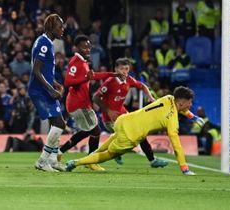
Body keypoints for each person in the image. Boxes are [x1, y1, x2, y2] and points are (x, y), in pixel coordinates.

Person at [65, 86, 198, 176]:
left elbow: (181, 108)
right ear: (181, 102)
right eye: (190, 103)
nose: (190, 105)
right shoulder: (172, 120)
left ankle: (88, 158)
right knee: (109, 154)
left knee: (113, 138)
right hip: (131, 135)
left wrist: (192, 116)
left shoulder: (168, 98)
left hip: (124, 120)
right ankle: (76, 163)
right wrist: (184, 167)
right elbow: (177, 146)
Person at [93, 58, 168, 168]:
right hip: (110, 118)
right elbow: (95, 97)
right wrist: (108, 111)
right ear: (116, 69)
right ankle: (101, 156)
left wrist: (150, 97)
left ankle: (152, 160)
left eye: (126, 69)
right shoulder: (110, 82)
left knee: (140, 133)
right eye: (121, 69)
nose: (124, 71)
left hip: (123, 114)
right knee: (128, 137)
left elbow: (142, 86)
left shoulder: (129, 79)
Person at [56, 35, 115, 171]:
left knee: (87, 131)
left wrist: (112, 74)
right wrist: (84, 78)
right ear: (77, 48)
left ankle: (60, 152)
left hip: (81, 102)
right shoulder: (75, 61)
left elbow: (92, 76)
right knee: (96, 131)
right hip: (78, 103)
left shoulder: (83, 62)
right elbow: (68, 82)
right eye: (84, 46)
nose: (88, 49)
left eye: (89, 46)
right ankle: (90, 161)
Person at [27, 14, 67, 172]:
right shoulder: (44, 43)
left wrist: (55, 84)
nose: (62, 30)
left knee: (55, 124)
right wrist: (50, 89)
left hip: (45, 88)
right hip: (40, 90)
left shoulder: (46, 42)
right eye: (60, 26)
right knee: (60, 123)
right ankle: (43, 161)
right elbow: (36, 71)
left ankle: (53, 160)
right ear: (51, 27)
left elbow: (43, 70)